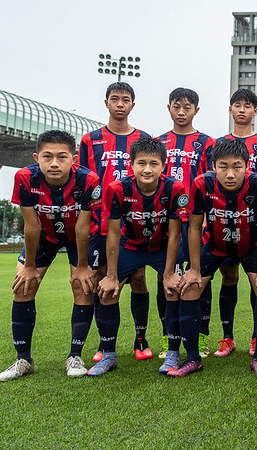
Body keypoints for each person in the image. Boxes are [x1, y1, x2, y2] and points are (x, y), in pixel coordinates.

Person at [0, 130, 101, 381]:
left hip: (79, 235)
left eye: (62, 157)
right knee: (24, 285)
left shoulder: (88, 180)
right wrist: (29, 266)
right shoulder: (24, 177)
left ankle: (75, 356)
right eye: (47, 156)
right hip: (44, 234)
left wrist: (82, 266)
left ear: (73, 159)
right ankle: (23, 359)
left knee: (82, 286)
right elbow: (31, 226)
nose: (54, 163)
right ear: (36, 158)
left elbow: (83, 227)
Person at [174, 139, 257, 376]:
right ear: (213, 166)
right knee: (190, 288)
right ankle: (192, 358)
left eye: (237, 167)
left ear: (247, 166)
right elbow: (194, 226)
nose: (230, 174)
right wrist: (194, 269)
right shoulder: (201, 183)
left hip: (251, 245)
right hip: (215, 245)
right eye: (223, 167)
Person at [91, 138, 187, 376]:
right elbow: (113, 233)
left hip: (162, 246)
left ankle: (173, 352)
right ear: (131, 165)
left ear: (163, 165)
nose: (147, 169)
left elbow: (175, 234)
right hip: (130, 246)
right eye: (141, 163)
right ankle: (108, 355)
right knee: (108, 291)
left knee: (173, 289)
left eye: (154, 164)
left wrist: (168, 274)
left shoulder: (175, 189)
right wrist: (111, 275)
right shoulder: (116, 189)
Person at [78, 82, 153, 361]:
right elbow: (83, 182)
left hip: (134, 222)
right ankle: (104, 343)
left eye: (125, 99)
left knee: (138, 277)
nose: (120, 104)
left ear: (133, 104)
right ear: (106, 103)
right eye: (114, 99)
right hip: (101, 222)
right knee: (101, 278)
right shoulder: (90, 140)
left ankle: (141, 339)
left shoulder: (143, 138)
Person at [218, 88, 257, 356]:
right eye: (237, 105)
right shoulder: (219, 143)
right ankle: (227, 338)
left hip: (254, 223)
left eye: (247, 106)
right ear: (230, 109)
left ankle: (256, 339)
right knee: (229, 276)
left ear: (255, 111)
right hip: (224, 221)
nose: (241, 110)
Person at [156, 88, 215, 359]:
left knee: (199, 277)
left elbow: (212, 181)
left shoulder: (206, 143)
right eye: (177, 106)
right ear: (169, 108)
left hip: (196, 221)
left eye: (187, 107)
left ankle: (201, 337)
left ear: (196, 110)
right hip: (166, 221)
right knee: (165, 277)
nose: (181, 112)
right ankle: (167, 337)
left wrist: (206, 219)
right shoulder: (158, 142)